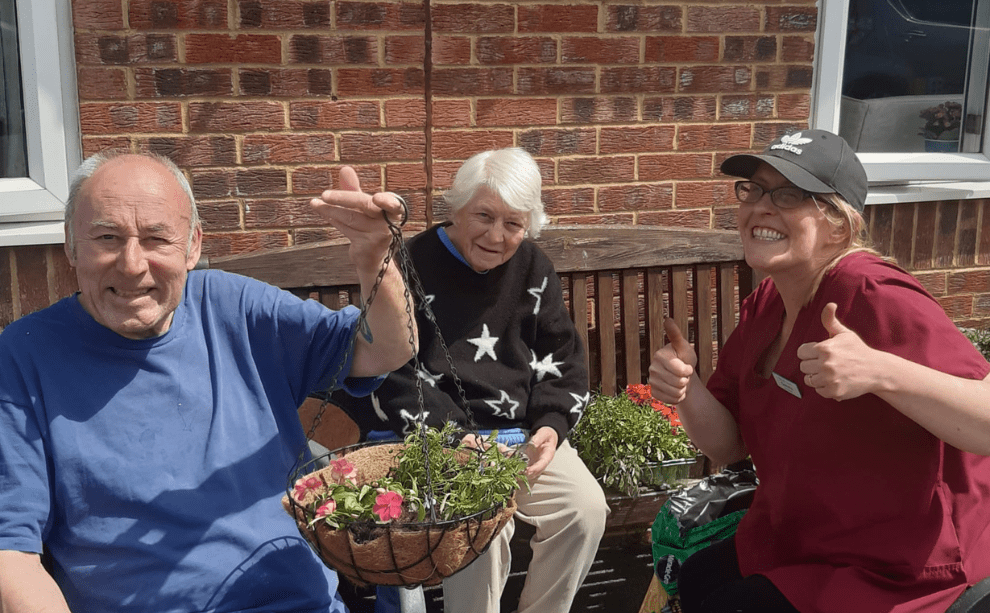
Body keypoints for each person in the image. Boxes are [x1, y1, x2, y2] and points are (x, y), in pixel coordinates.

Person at [0, 151, 416, 613]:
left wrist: (375, 256)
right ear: (72, 245)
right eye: (106, 237)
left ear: (193, 246)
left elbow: (385, 348)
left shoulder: (233, 306)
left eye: (157, 238)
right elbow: (11, 554)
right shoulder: (25, 354)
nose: (132, 264)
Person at [649, 129, 990, 613]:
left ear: (838, 225)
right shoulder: (766, 303)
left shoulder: (873, 294)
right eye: (754, 189)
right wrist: (685, 389)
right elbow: (727, 445)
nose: (762, 207)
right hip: (803, 536)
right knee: (699, 577)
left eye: (788, 194)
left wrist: (880, 371)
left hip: (897, 563)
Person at [345, 147, 608, 613]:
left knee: (584, 509)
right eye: (483, 216)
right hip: (445, 437)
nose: (496, 235)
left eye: (513, 223)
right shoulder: (412, 261)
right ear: (457, 208)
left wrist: (551, 427)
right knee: (482, 522)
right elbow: (394, 371)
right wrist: (459, 440)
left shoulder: (534, 267)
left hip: (523, 436)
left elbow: (562, 358)